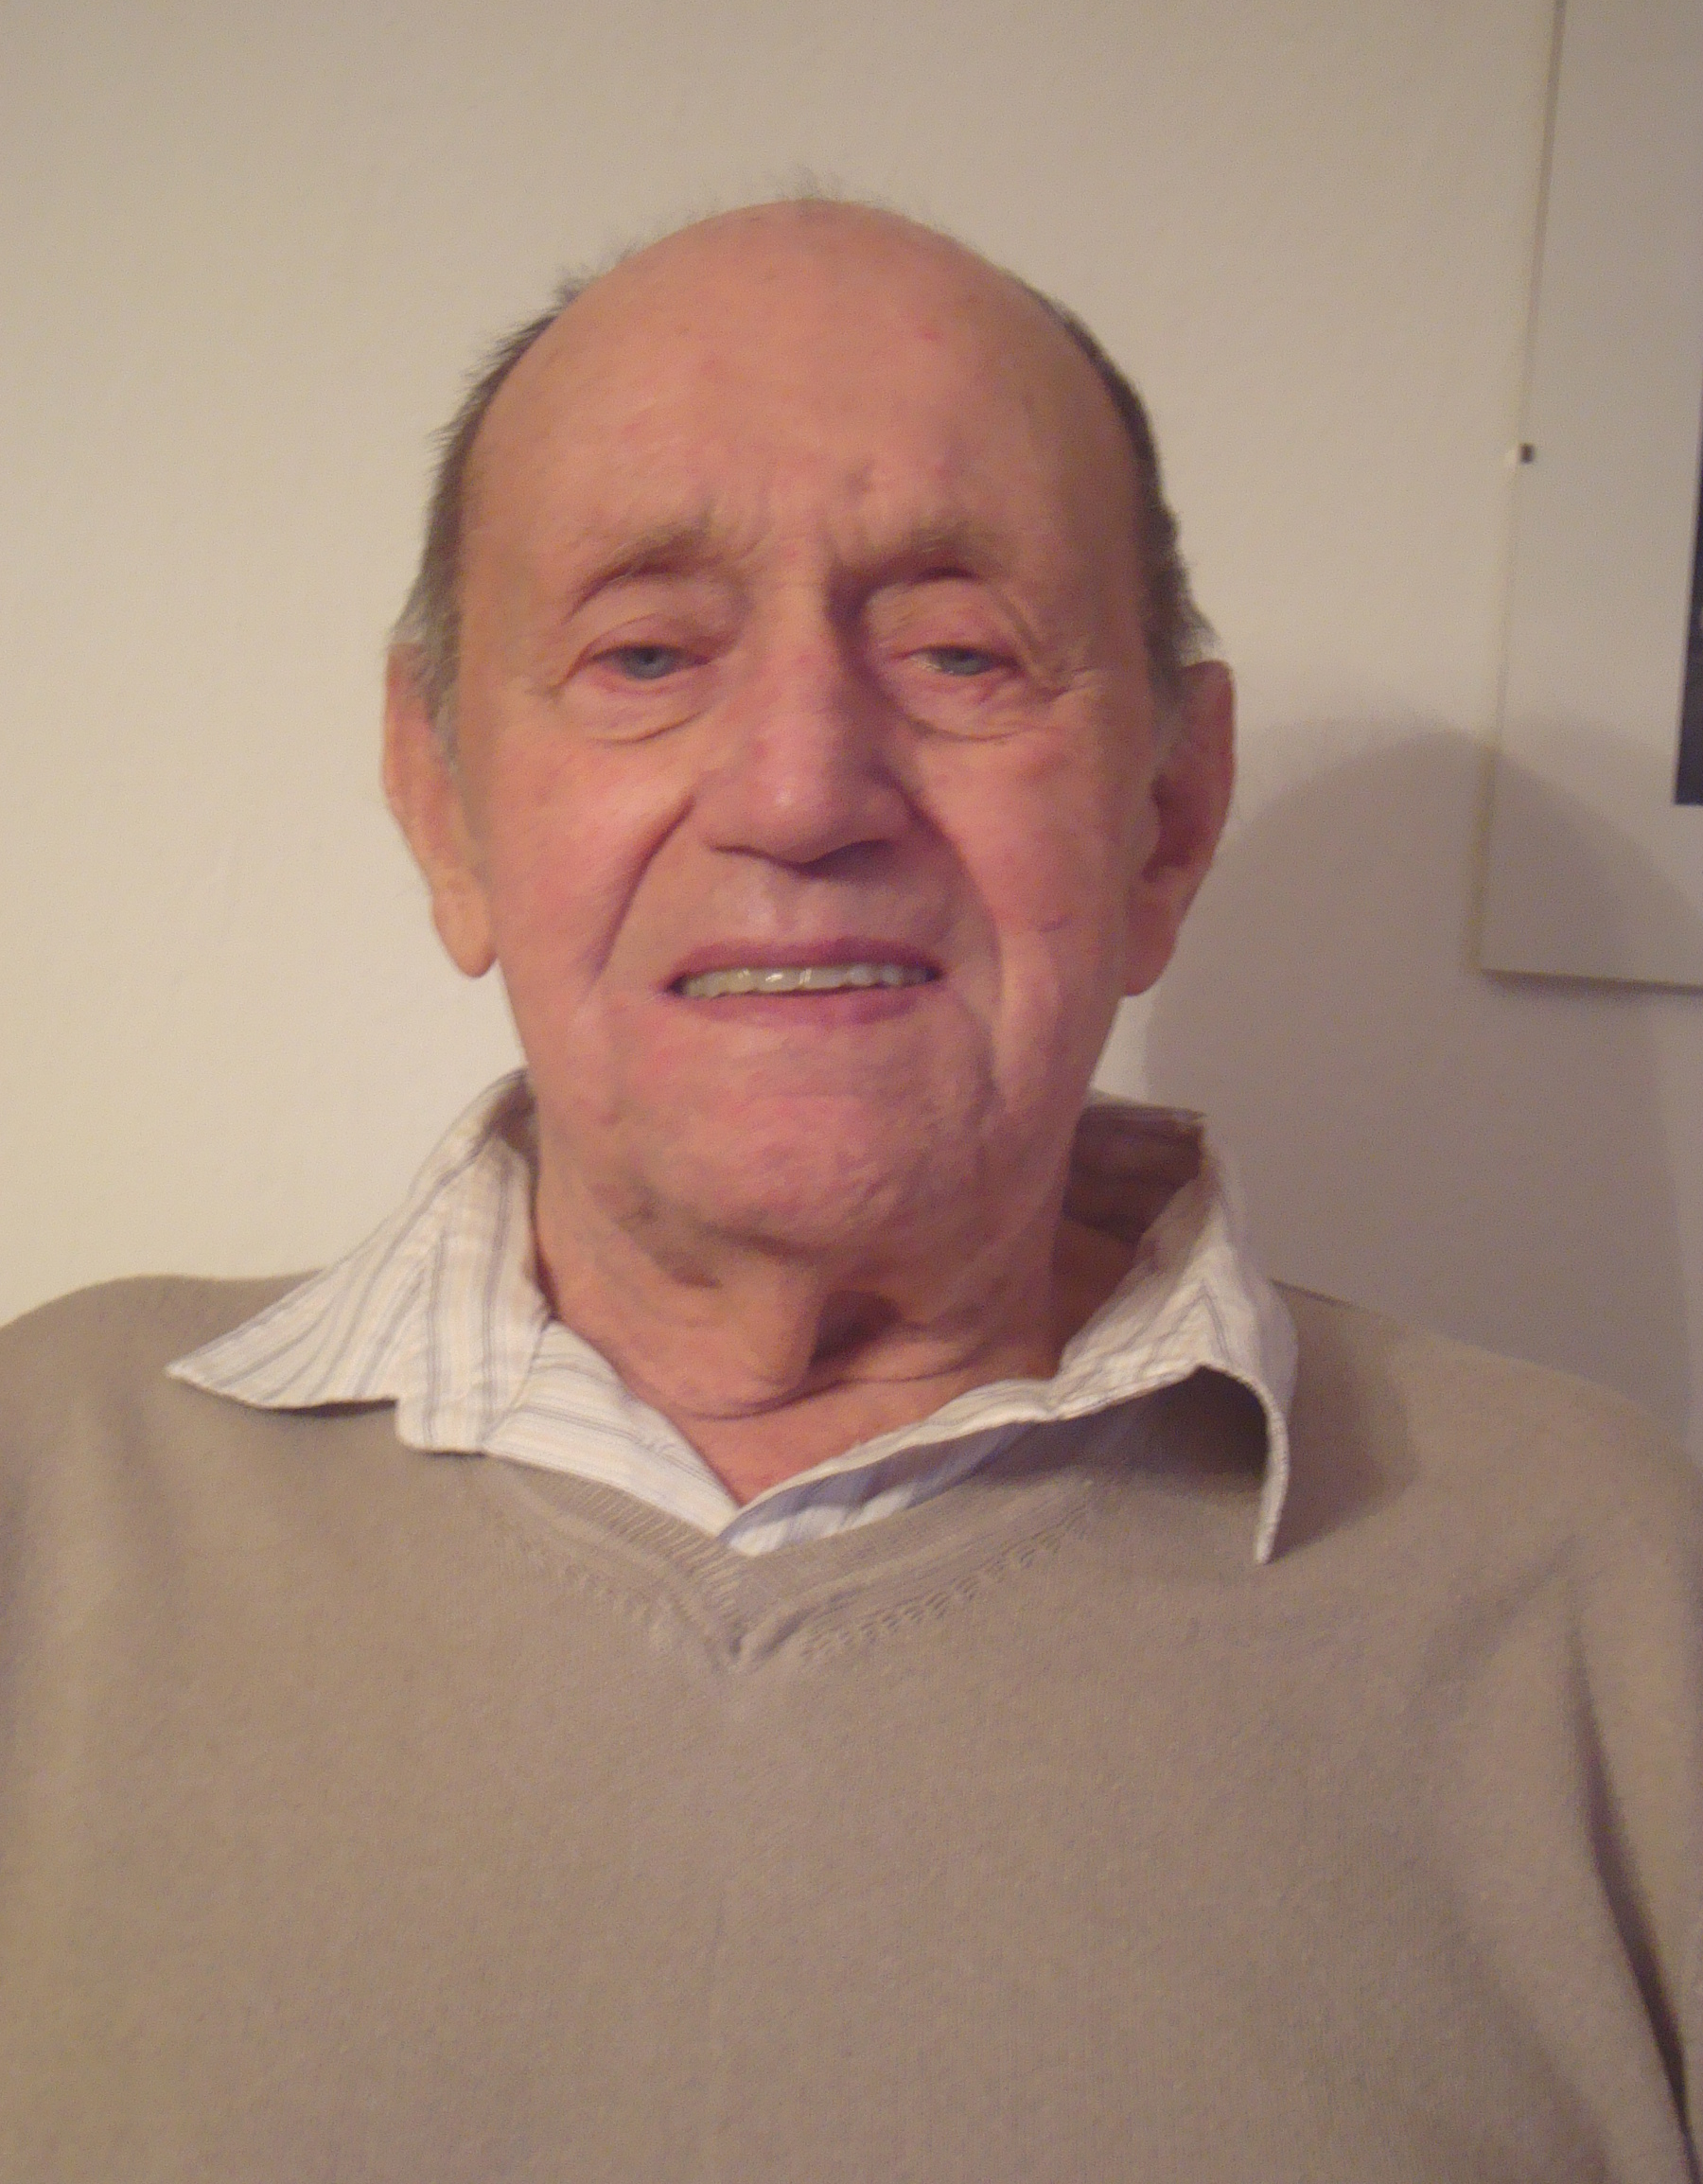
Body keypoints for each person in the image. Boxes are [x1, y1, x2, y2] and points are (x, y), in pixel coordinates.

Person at [2, 200, 1698, 2184]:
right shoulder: (46, 1491)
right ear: (444, 802)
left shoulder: (1621, 1600)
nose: (801, 794)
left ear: (1165, 820)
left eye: (963, 654)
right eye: (645, 653)